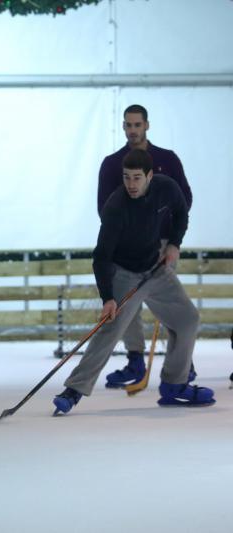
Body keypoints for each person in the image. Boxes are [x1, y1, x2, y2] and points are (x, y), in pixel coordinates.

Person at [53, 149, 214, 414]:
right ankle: (73, 391)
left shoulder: (166, 188)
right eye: (127, 177)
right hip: (124, 274)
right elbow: (101, 257)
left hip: (156, 269)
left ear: (150, 176)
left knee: (188, 320)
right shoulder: (116, 207)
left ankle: (175, 385)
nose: (131, 184)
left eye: (137, 178)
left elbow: (181, 212)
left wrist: (174, 243)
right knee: (109, 331)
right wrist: (108, 298)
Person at [97, 104, 195, 388]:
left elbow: (184, 199)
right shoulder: (113, 163)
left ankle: (182, 366)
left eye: (137, 125)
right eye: (127, 125)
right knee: (129, 304)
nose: (132, 130)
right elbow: (105, 207)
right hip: (127, 245)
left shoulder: (167, 158)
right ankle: (135, 359)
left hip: (163, 242)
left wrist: (172, 240)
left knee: (169, 303)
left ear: (147, 126)